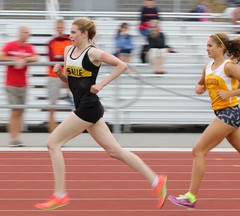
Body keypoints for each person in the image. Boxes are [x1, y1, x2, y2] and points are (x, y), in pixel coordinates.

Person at [34, 17, 167, 210]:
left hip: (88, 107)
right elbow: (70, 82)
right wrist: (60, 74)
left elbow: (122, 65)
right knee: (115, 151)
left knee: (52, 143)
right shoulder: (68, 51)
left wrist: (102, 84)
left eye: (73, 32)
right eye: (69, 32)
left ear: (84, 34)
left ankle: (60, 195)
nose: (69, 35)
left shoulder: (94, 53)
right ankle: (156, 180)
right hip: (85, 106)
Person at [168, 32, 240, 209]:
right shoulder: (207, 67)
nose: (206, 48)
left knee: (198, 150)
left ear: (220, 47)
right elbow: (200, 84)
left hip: (230, 112)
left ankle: (191, 197)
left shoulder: (229, 66)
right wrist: (199, 88)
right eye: (206, 45)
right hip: (223, 113)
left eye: (209, 45)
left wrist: (229, 93)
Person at [0, 26, 39, 147]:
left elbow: (36, 57)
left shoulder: (28, 47)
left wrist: (25, 59)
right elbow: (1, 56)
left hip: (23, 84)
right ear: (19, 33)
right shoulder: (10, 45)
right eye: (25, 32)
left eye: (28, 33)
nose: (27, 34)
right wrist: (14, 59)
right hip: (11, 84)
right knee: (15, 111)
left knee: (20, 112)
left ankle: (17, 138)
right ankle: (13, 138)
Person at [47, 19, 72, 133]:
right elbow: (52, 58)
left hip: (67, 75)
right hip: (53, 76)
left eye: (62, 27)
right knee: (52, 107)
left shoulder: (69, 40)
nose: (60, 29)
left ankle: (69, 94)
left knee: (77, 105)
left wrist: (61, 57)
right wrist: (62, 57)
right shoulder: (52, 42)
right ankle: (53, 134)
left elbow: (71, 56)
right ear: (56, 28)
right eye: (58, 27)